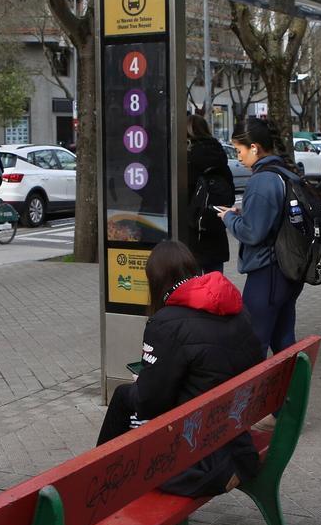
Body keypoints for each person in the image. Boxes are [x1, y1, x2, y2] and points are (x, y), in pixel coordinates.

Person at [96, 240, 262, 497]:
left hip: (200, 458)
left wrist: (143, 381)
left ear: (156, 282)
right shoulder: (236, 309)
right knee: (132, 398)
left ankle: (96, 481)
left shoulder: (166, 323)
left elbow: (150, 403)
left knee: (124, 397)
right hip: (234, 438)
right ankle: (97, 474)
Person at [219, 118, 304, 358]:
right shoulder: (285, 172)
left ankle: (254, 396)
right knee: (284, 339)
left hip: (267, 273)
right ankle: (291, 393)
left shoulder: (261, 181)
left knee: (253, 343)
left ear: (254, 147)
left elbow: (253, 233)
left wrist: (229, 219)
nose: (238, 157)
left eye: (239, 150)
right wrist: (244, 214)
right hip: (288, 270)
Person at [185, 114, 236, 273]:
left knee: (193, 286)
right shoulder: (219, 155)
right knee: (213, 284)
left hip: (191, 230)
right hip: (215, 228)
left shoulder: (186, 157)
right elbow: (230, 193)